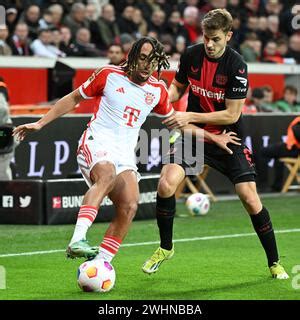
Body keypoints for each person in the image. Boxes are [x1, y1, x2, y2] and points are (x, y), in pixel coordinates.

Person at [13, 37, 237, 263]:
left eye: (153, 61)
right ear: (132, 57)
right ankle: (77, 240)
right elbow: (74, 98)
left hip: (124, 154)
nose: (147, 65)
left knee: (130, 204)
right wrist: (40, 123)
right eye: (143, 58)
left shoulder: (157, 90)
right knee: (107, 174)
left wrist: (212, 137)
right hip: (96, 142)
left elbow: (176, 122)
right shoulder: (108, 74)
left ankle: (101, 264)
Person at [142, 9, 289, 280]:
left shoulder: (237, 65)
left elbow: (231, 115)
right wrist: (160, 97)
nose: (209, 44)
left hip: (228, 137)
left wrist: (189, 114)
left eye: (216, 39)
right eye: (206, 37)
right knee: (165, 184)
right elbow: (177, 88)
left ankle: (274, 262)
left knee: (249, 198)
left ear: (228, 36)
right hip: (194, 135)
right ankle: (165, 248)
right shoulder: (191, 55)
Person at [260, 116, 300, 192]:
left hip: (294, 149)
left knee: (264, 151)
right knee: (277, 156)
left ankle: (263, 184)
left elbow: (297, 133)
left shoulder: (298, 121)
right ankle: (277, 185)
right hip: (293, 148)